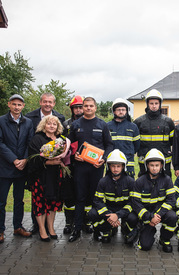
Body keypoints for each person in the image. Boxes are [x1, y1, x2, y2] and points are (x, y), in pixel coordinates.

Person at [68, 97, 113, 242]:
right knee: (80, 198)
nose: (87, 108)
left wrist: (104, 159)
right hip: (80, 168)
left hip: (96, 168)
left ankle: (97, 230)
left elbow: (109, 145)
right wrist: (74, 156)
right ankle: (77, 230)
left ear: (95, 108)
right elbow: (70, 145)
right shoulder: (75, 125)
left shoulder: (102, 124)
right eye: (85, 106)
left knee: (96, 199)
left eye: (90, 106)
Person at [25, 92, 65, 234]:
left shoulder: (60, 140)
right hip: (40, 176)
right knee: (40, 203)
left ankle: (51, 228)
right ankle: (41, 229)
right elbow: (33, 158)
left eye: (54, 124)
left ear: (58, 125)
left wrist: (62, 161)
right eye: (49, 123)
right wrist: (49, 162)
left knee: (53, 202)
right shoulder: (37, 138)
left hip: (55, 176)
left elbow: (65, 156)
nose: (52, 125)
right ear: (44, 125)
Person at [0, 94, 33, 244]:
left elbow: (30, 143)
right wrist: (14, 160)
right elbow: (1, 144)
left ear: (23, 106)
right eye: (14, 104)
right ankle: (0, 230)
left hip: (21, 168)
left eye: (19, 105)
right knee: (2, 201)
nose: (16, 107)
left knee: (19, 200)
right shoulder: (1, 121)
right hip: (5, 168)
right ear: (9, 105)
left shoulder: (28, 122)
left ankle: (18, 227)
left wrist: (25, 160)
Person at [131, 149, 177, 252]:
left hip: (160, 213)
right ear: (147, 165)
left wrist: (157, 215)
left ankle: (165, 239)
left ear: (162, 165)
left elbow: (171, 200)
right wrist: (150, 217)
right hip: (146, 215)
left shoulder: (167, 180)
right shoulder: (140, 181)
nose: (154, 168)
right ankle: (142, 230)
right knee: (145, 246)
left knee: (172, 216)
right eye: (152, 165)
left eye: (157, 165)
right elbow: (136, 203)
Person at [88, 149, 139, 244]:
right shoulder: (103, 181)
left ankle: (126, 229)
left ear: (123, 166)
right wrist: (109, 215)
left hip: (124, 209)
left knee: (134, 218)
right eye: (113, 166)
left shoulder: (130, 181)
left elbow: (133, 202)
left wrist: (118, 215)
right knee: (92, 214)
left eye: (118, 166)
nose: (115, 169)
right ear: (108, 166)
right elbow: (97, 201)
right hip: (109, 208)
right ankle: (106, 230)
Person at [134, 89, 175, 177]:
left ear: (160, 104)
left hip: (164, 160)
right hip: (145, 160)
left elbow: (172, 141)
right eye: (151, 103)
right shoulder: (139, 122)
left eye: (156, 103)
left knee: (165, 183)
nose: (154, 106)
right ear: (147, 104)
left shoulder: (168, 122)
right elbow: (135, 142)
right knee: (144, 183)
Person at [62, 95, 85, 235]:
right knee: (69, 194)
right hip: (69, 164)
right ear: (72, 109)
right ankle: (69, 222)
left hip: (85, 164)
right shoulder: (65, 125)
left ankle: (85, 222)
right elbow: (62, 143)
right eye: (75, 107)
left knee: (85, 194)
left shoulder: (89, 123)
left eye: (80, 107)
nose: (78, 110)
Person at [107, 98, 140, 178]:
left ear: (127, 111)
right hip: (112, 163)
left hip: (128, 164)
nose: (121, 112)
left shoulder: (133, 127)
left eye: (123, 109)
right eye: (118, 110)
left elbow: (137, 145)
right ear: (114, 111)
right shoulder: (107, 126)